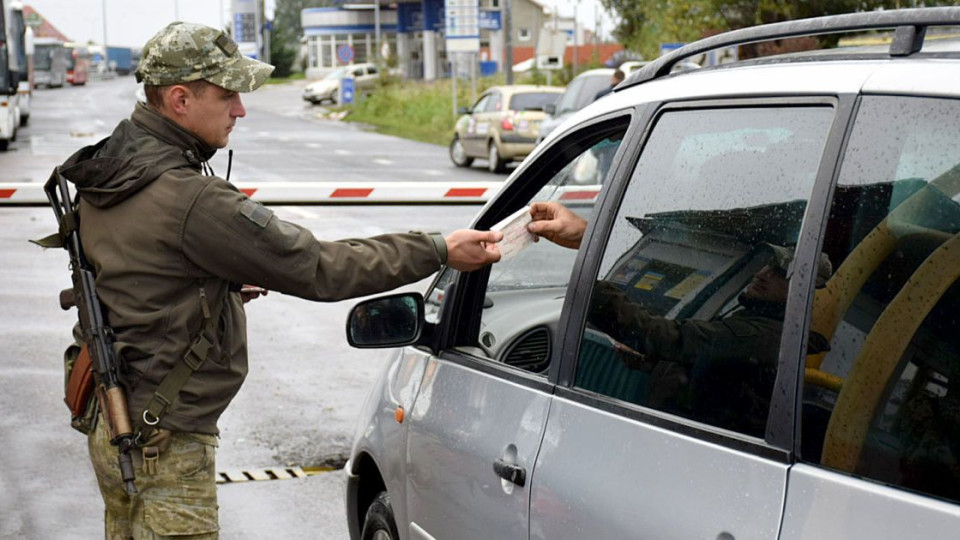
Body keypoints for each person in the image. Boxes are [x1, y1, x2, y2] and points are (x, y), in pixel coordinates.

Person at [56, 22, 501, 538]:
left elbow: (136, 275)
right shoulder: (188, 199)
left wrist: (212, 288)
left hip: (111, 422)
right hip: (164, 444)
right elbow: (320, 267)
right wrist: (439, 248)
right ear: (179, 100)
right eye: (227, 95)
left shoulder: (110, 168)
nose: (240, 110)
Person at [527, 202, 831, 435]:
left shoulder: (762, 334)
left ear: (804, 293)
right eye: (768, 265)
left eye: (780, 273)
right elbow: (708, 371)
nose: (764, 273)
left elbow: (675, 339)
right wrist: (649, 362)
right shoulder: (756, 319)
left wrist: (592, 286)